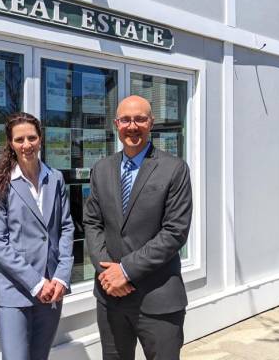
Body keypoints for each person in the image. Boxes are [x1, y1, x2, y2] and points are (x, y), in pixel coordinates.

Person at [83, 95, 192, 360]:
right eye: (126, 120)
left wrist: (126, 270)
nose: (132, 126)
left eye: (140, 119)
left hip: (158, 298)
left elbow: (174, 231)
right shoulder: (101, 169)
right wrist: (108, 273)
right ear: (116, 124)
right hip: (111, 297)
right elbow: (92, 223)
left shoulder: (174, 169)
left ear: (151, 123)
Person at [0, 112, 74, 360]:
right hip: (17, 290)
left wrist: (61, 277)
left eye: (32, 138)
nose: (27, 145)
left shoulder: (55, 179)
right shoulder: (0, 182)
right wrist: (36, 283)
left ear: (40, 139)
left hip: (52, 289)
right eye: (19, 140)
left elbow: (66, 228)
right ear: (11, 144)